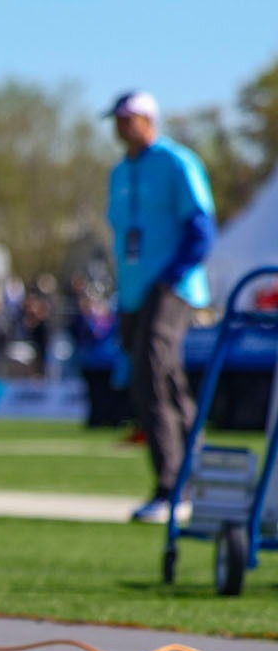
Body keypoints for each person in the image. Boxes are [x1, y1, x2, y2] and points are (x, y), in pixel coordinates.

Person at [102, 90, 216, 524]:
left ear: (148, 119)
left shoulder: (176, 162)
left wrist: (170, 277)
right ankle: (198, 474)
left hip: (171, 286)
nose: (120, 126)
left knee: (153, 376)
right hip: (133, 292)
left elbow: (201, 229)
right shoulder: (119, 172)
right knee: (161, 382)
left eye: (128, 118)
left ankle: (172, 486)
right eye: (116, 119)